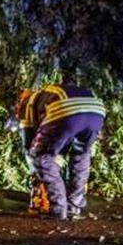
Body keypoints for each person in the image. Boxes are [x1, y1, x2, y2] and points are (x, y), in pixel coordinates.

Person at [14, 80, 106, 220]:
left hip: (65, 110)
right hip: (97, 111)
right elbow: (59, 140)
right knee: (80, 154)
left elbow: (30, 145)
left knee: (40, 157)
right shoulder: (47, 95)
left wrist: (36, 173)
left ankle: (57, 208)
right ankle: (74, 205)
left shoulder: (26, 105)